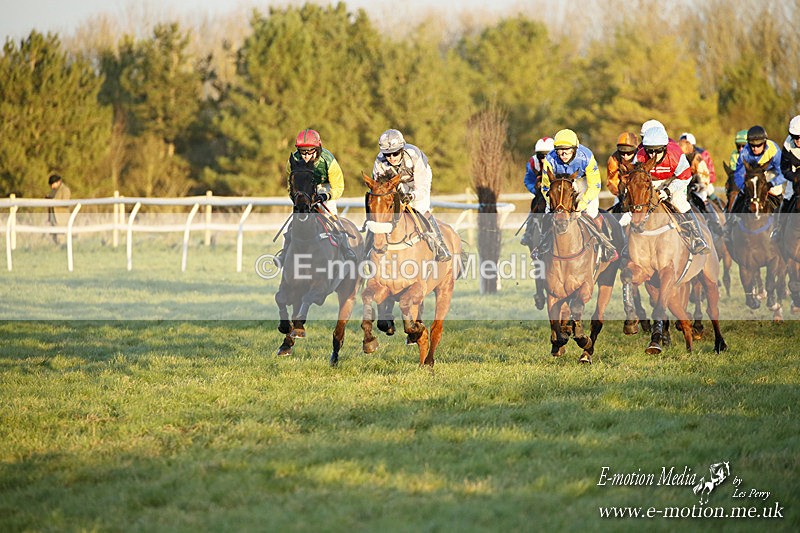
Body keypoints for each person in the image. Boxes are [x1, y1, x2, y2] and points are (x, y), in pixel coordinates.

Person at [531, 128, 617, 262]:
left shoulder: (586, 156)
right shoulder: (550, 159)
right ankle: (543, 245)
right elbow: (546, 186)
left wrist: (580, 207)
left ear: (575, 149)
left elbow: (595, 185)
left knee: (592, 212)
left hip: (582, 182)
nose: (563, 153)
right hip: (559, 185)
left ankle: (605, 246)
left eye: (567, 149)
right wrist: (554, 204)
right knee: (548, 212)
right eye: (559, 149)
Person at [276, 128, 357, 266]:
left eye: (309, 151)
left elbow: (338, 186)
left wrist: (326, 196)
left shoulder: (328, 160)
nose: (306, 155)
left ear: (317, 149)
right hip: (304, 191)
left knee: (331, 217)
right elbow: (291, 185)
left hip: (324, 187)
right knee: (295, 219)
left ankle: (346, 249)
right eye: (302, 151)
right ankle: (284, 253)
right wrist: (297, 198)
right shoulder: (293, 160)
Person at [371, 129, 451, 261]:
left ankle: (440, 245)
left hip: (417, 180)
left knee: (420, 208)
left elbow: (422, 188)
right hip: (397, 183)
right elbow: (379, 187)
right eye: (387, 154)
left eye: (395, 153)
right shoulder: (379, 162)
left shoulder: (414, 155)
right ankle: (368, 248)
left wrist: (412, 196)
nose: (391, 158)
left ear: (402, 149)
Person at [637, 125, 709, 254]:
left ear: (664, 148)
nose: (653, 155)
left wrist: (668, 191)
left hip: (675, 179)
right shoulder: (640, 156)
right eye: (649, 150)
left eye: (657, 151)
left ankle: (697, 237)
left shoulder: (676, 155)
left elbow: (685, 177)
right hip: (652, 181)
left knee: (679, 201)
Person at [730, 125, 785, 214]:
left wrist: (772, 183)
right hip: (752, 174)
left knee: (777, 191)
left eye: (758, 145)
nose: (755, 148)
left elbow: (783, 171)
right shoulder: (744, 152)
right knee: (740, 195)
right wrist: (745, 187)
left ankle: (782, 217)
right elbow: (738, 174)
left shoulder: (774, 150)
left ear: (764, 143)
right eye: (752, 145)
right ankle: (731, 220)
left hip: (771, 173)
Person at [520, 136, 553, 247]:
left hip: (556, 194)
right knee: (534, 205)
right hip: (541, 194)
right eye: (540, 156)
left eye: (546, 155)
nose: (543, 159)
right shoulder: (533, 162)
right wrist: (535, 190)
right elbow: (528, 180)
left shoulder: (560, 162)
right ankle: (528, 233)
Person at [772, 116, 800, 244]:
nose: (797, 140)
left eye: (799, 137)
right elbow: (784, 168)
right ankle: (780, 229)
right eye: (794, 137)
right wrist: (795, 178)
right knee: (788, 197)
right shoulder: (788, 144)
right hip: (795, 178)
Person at [606, 131, 639, 208]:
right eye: (622, 152)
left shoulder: (642, 157)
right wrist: (620, 194)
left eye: (629, 152)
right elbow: (612, 181)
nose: (625, 156)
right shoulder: (613, 159)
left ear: (635, 150)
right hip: (622, 191)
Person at [46, 174, 71, 244]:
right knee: (54, 235)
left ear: (58, 182)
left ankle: (62, 248)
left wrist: (54, 201)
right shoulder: (53, 191)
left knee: (61, 235)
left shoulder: (65, 190)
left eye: (53, 184)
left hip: (61, 217)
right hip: (53, 216)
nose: (52, 186)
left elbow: (65, 202)